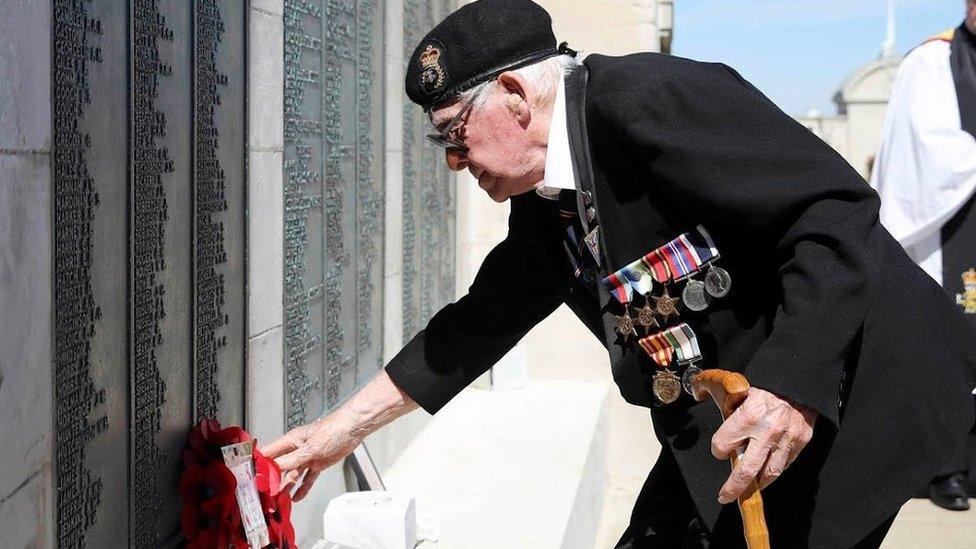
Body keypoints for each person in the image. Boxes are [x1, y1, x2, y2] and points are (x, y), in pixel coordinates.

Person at [265, 1, 976, 546]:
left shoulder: (648, 99)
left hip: (847, 390)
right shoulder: (549, 202)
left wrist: (793, 384)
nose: (455, 161)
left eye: (455, 134)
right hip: (729, 421)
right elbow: (474, 326)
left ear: (514, 94)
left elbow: (832, 208)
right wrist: (339, 431)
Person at [869, 0, 976, 512]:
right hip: (953, 221)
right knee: (955, 340)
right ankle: (947, 469)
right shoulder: (933, 62)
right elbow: (924, 148)